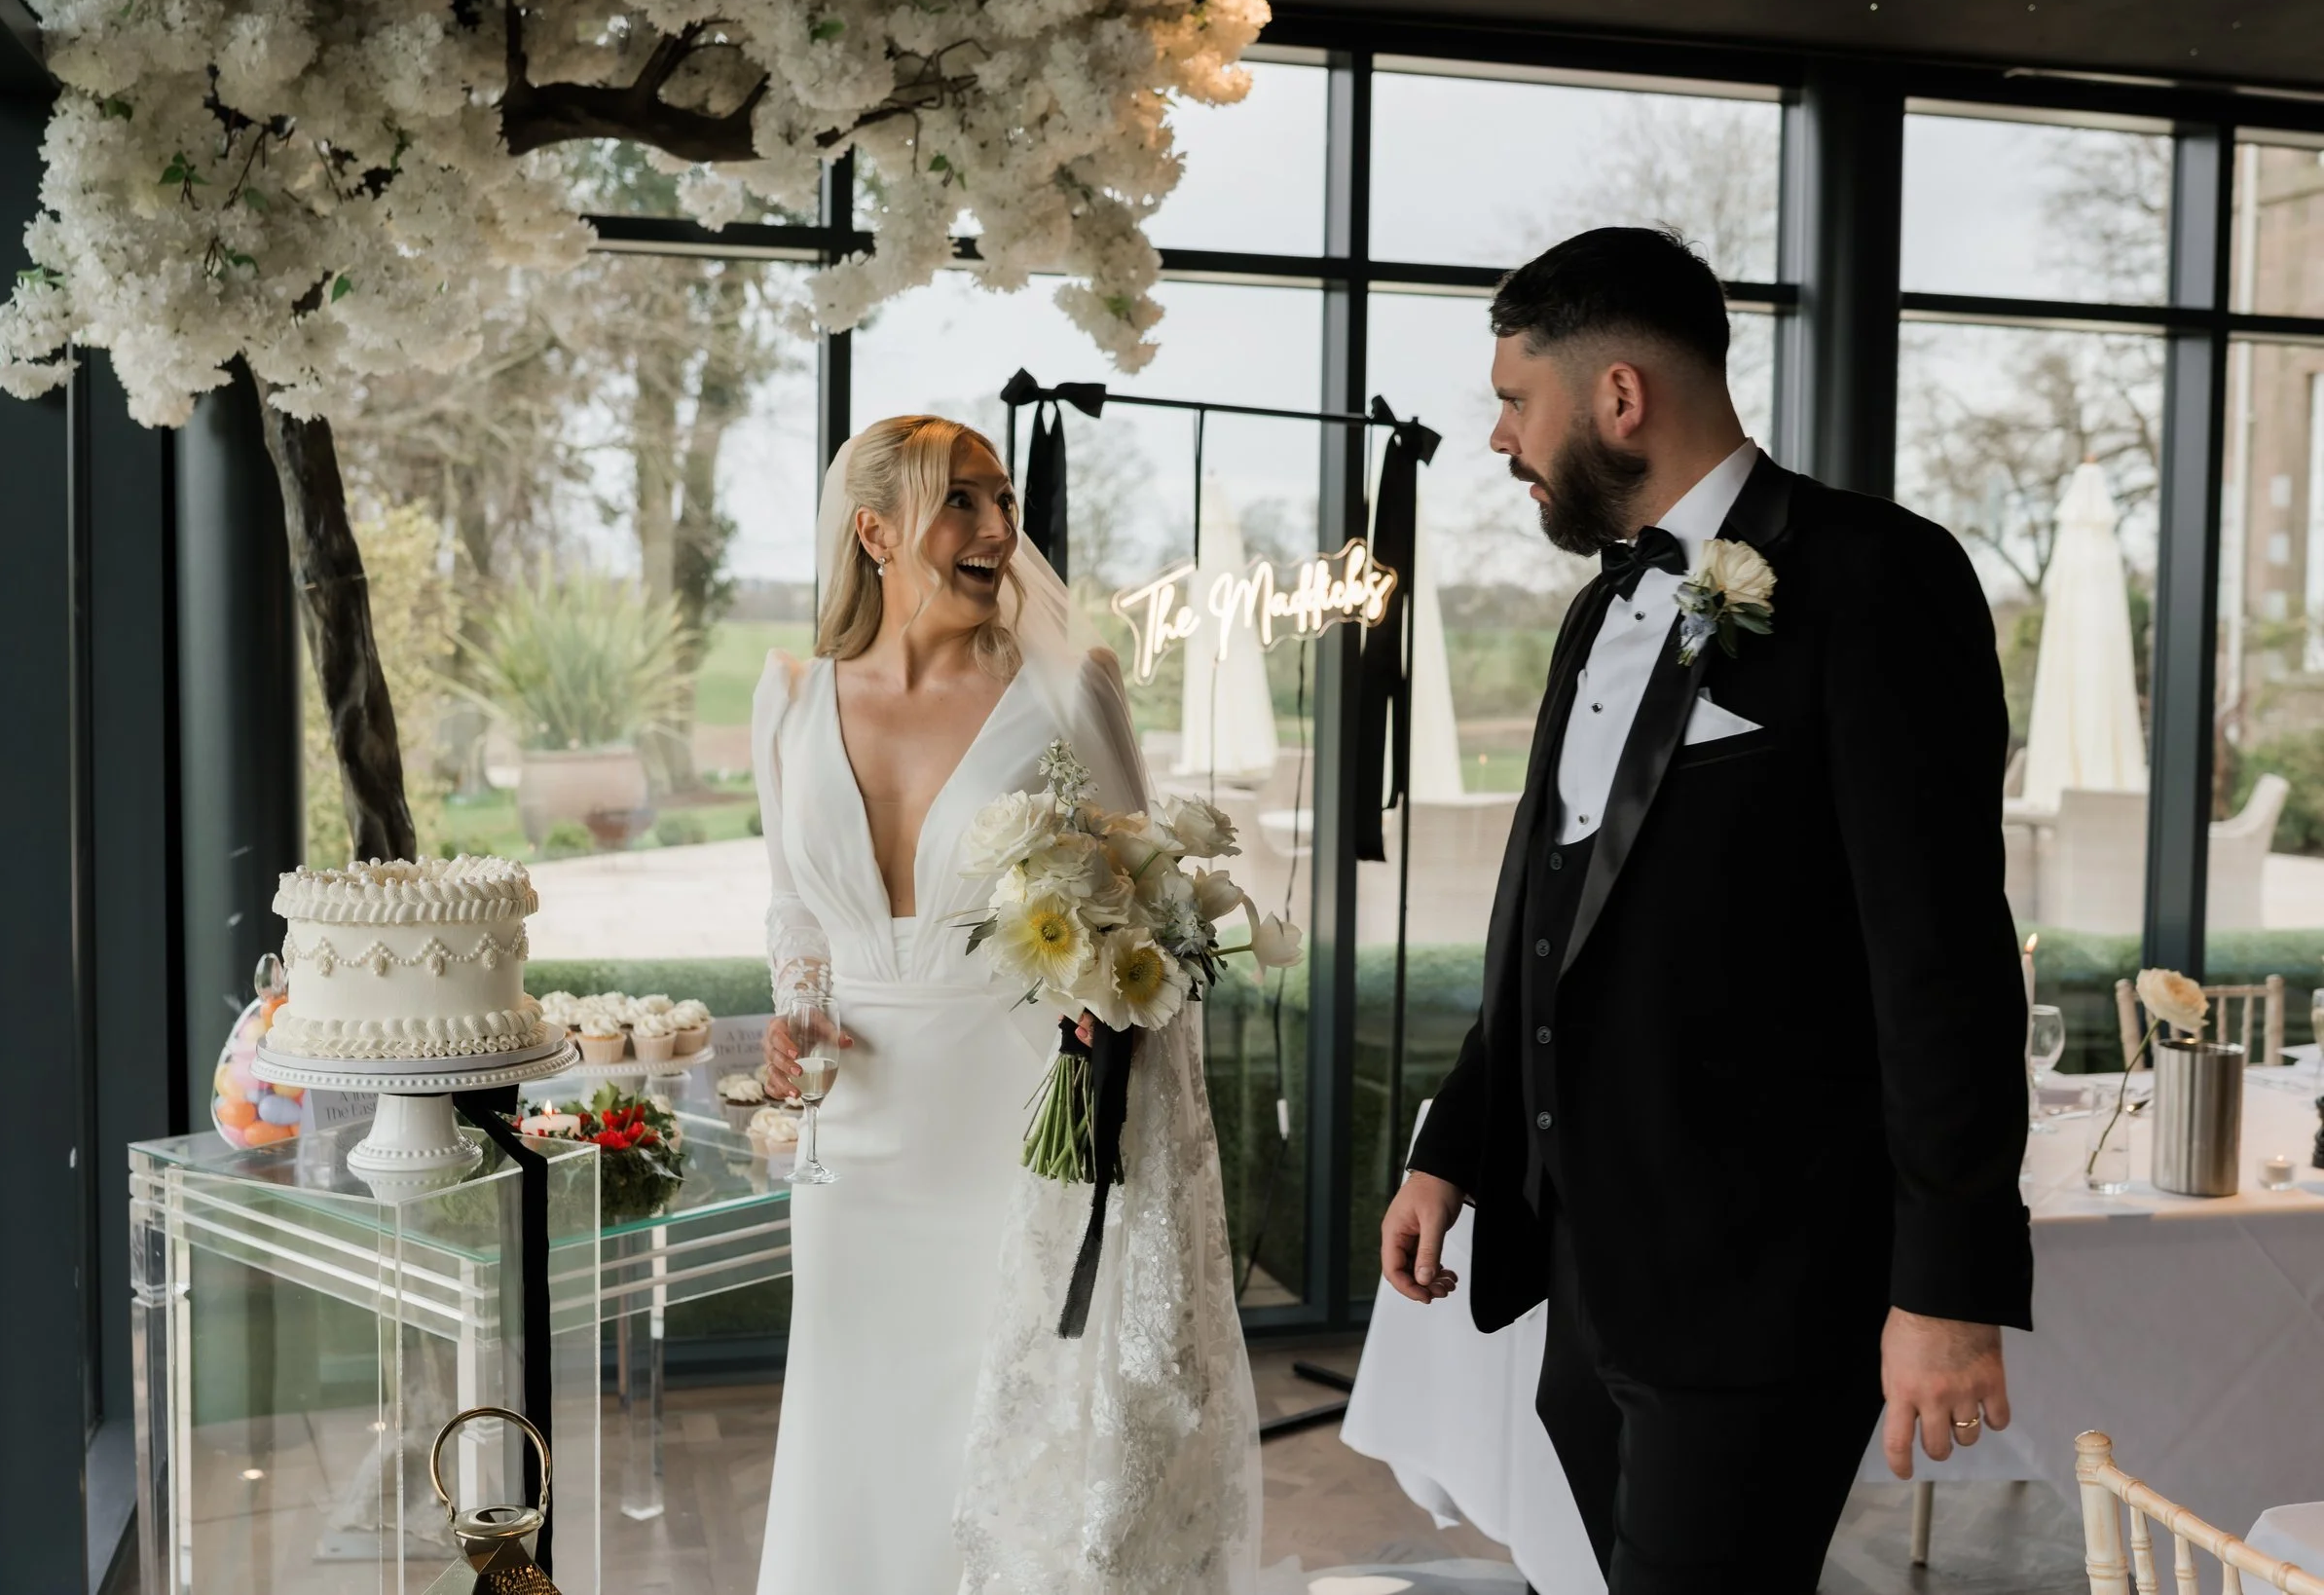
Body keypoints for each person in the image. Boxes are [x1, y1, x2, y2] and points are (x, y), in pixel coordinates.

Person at [1378, 228, 2033, 1591]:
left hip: (1764, 1282)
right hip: (1591, 1272)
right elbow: (1547, 923)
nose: (1499, 438)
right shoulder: (1593, 612)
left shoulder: (1877, 578)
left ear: (1619, 397)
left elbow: (1943, 962)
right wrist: (1454, 1143)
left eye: (1516, 399)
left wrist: (1949, 1282)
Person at [750, 415, 1265, 1594]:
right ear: (874, 529)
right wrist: (797, 1012)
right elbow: (794, 909)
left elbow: (1157, 917)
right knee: (856, 1433)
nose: (997, 529)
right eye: (961, 502)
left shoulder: (1067, 688)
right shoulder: (787, 698)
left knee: (1015, 1441)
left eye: (1002, 500)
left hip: (1023, 1136)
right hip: (857, 1141)